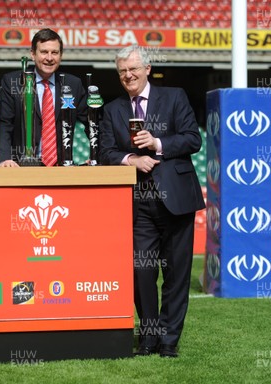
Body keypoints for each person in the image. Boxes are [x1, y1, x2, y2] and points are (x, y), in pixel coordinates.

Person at [99, 45, 205, 358]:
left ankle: (169, 341)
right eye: (122, 72)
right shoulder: (112, 109)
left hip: (177, 199)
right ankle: (148, 336)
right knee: (141, 272)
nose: (128, 75)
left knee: (176, 274)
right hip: (138, 203)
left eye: (132, 69)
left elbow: (192, 139)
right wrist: (131, 158)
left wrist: (157, 143)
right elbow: (105, 152)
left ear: (147, 69)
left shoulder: (175, 97)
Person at [0, 28, 87, 166]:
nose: (49, 58)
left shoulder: (73, 84)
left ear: (60, 55)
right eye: (44, 52)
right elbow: (4, 124)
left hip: (60, 168)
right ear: (33, 54)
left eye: (54, 52)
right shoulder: (13, 82)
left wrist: (96, 156)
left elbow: (92, 122)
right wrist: (5, 159)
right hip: (20, 167)